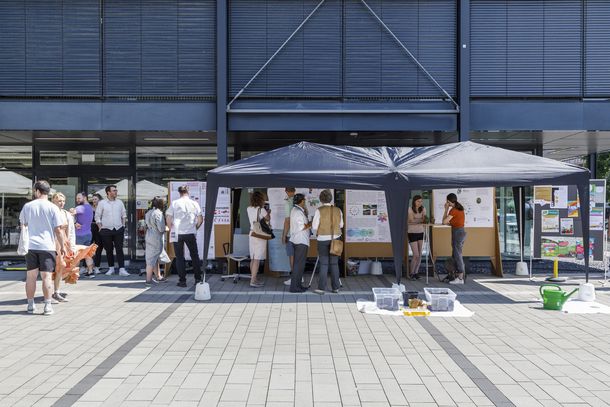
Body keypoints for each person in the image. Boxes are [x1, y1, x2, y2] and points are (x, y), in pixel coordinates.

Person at [19, 181, 66, 315]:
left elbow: (23, 225)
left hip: (31, 246)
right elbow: (58, 230)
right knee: (47, 277)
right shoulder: (53, 208)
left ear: (37, 191)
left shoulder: (27, 206)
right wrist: (62, 246)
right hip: (47, 246)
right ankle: (47, 306)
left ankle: (30, 305)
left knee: (31, 276)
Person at [166, 185, 203, 287]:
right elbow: (200, 219)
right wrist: (195, 228)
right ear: (188, 191)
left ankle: (182, 281)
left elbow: (168, 218)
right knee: (195, 256)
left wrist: (171, 229)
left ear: (179, 192)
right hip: (190, 232)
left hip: (178, 233)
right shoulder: (194, 203)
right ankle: (197, 279)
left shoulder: (174, 203)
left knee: (179, 257)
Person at [312, 189, 343, 294]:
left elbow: (314, 226)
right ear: (331, 198)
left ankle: (321, 288)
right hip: (336, 238)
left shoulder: (319, 210)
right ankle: (335, 288)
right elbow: (341, 225)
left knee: (324, 263)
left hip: (322, 239)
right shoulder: (338, 210)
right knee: (334, 264)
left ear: (321, 199)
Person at [96, 185, 129, 276]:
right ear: (108, 192)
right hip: (106, 229)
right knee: (109, 250)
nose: (116, 192)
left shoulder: (120, 202)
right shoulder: (102, 203)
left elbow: (124, 215)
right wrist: (100, 227)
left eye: (116, 190)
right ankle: (111, 268)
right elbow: (97, 216)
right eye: (114, 190)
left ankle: (122, 269)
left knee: (119, 249)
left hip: (118, 229)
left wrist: (123, 226)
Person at [51, 192, 76, 303]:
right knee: (50, 268)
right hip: (52, 243)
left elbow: (71, 232)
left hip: (64, 243)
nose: (61, 203)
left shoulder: (66, 214)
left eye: (63, 201)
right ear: (53, 201)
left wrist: (71, 246)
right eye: (59, 201)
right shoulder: (50, 213)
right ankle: (49, 292)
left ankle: (56, 291)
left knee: (61, 267)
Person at [443, 193, 466, 284]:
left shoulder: (454, 210)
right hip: (459, 231)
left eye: (447, 201)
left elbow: (444, 221)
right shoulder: (458, 208)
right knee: (456, 254)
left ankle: (460, 278)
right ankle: (458, 276)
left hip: (458, 232)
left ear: (449, 201)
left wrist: (445, 209)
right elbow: (448, 222)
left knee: (457, 255)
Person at [289, 193, 311, 293]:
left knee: (300, 265)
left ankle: (298, 285)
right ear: (301, 201)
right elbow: (301, 227)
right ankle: (294, 287)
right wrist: (311, 223)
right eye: (304, 200)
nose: (305, 202)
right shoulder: (297, 212)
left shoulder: (296, 210)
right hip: (300, 241)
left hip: (298, 240)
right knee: (298, 265)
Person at [247, 191, 269, 288]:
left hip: (252, 233)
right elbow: (268, 218)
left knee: (253, 257)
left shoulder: (249, 208)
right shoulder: (261, 209)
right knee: (257, 259)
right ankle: (253, 280)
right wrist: (268, 212)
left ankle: (254, 277)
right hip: (259, 234)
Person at [144, 197, 167, 286]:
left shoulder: (148, 212)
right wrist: (166, 228)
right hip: (156, 236)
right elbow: (161, 228)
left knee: (153, 257)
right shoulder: (158, 213)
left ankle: (158, 276)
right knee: (151, 259)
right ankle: (148, 280)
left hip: (149, 235)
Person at [73, 192, 95, 278]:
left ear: (84, 198)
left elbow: (69, 214)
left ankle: (74, 274)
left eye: (79, 198)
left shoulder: (80, 207)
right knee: (87, 254)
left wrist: (74, 222)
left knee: (77, 255)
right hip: (88, 234)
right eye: (76, 198)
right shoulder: (90, 207)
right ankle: (90, 272)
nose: (77, 200)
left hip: (79, 235)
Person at [407, 195, 427, 280]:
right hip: (412, 232)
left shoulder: (423, 209)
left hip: (421, 232)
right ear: (414, 201)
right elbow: (411, 220)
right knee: (415, 255)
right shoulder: (410, 209)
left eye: (421, 201)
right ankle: (411, 273)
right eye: (418, 201)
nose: (420, 203)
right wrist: (420, 220)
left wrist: (417, 220)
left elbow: (425, 219)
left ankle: (416, 272)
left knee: (420, 255)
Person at [281, 187, 297, 286]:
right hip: (301, 234)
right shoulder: (300, 201)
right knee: (299, 257)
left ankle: (294, 278)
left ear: (286, 191)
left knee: (292, 256)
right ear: (294, 191)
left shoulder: (287, 202)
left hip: (291, 234)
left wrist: (284, 235)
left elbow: (287, 221)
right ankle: (300, 277)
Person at [90, 193, 104, 274]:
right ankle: (86, 266)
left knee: (98, 248)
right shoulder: (90, 208)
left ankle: (97, 267)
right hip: (91, 228)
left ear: (99, 200)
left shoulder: (102, 208)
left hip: (99, 228)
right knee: (89, 248)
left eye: (95, 199)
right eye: (93, 199)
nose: (94, 201)